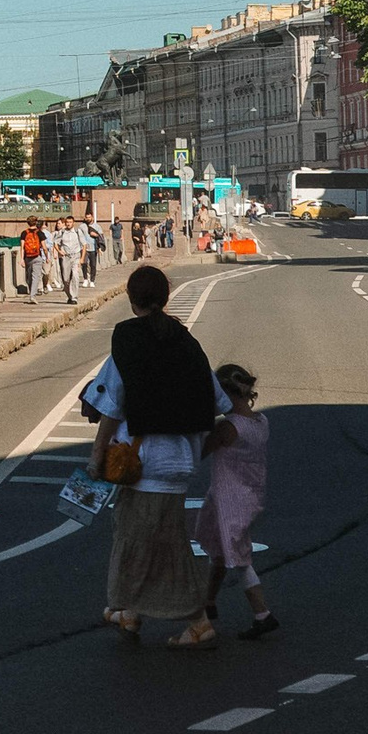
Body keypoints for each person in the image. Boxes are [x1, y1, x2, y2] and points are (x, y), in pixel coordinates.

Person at [85, 264, 228, 648]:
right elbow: (217, 400)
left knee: (155, 545)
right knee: (142, 538)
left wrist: (97, 455)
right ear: (164, 297)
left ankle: (197, 621)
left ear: (131, 300)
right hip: (180, 460)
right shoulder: (186, 343)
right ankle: (128, 611)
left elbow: (111, 404)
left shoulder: (128, 342)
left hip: (147, 462)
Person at [196, 362, 276, 640]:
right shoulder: (261, 422)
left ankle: (262, 613)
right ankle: (209, 602)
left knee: (238, 556)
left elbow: (201, 452)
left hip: (227, 498)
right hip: (249, 495)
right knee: (221, 550)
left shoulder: (229, 428)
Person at [20, 218, 47, 297]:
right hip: (37, 256)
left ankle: (31, 290)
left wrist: (21, 259)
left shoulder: (24, 233)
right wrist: (47, 257)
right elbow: (44, 248)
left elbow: (22, 247)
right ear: (36, 222)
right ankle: (32, 295)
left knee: (29, 276)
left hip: (27, 257)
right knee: (36, 276)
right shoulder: (40, 233)